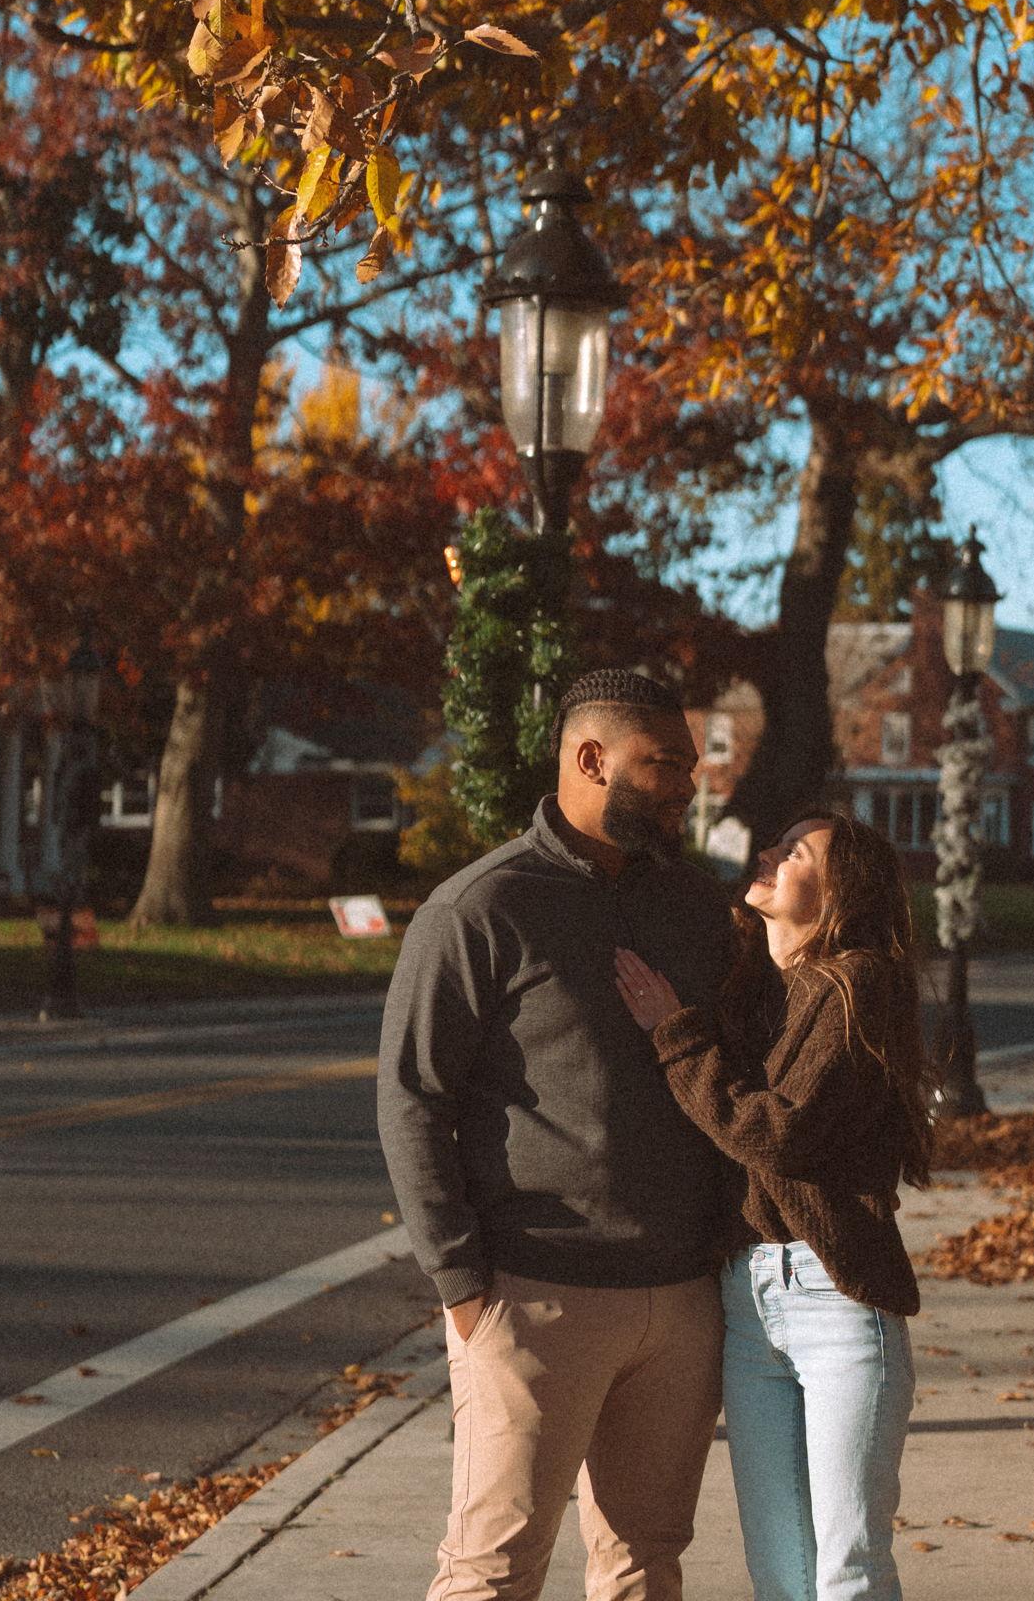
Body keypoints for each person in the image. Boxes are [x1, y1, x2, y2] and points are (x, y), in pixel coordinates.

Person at [377, 668, 735, 1601]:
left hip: (682, 1301)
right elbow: (413, 1098)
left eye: (690, 767)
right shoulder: (479, 910)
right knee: (492, 1573)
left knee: (646, 1564)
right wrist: (462, 1285)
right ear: (591, 759)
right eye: (665, 765)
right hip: (534, 1296)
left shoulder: (698, 910)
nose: (688, 786)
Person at [614, 811, 931, 1601]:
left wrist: (676, 1037)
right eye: (777, 843)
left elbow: (776, 1133)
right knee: (781, 1576)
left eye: (797, 851)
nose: (769, 852)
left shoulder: (859, 983)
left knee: (846, 1571)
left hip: (836, 1302)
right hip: (748, 1302)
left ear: (840, 889)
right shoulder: (761, 990)